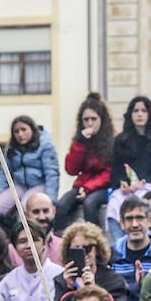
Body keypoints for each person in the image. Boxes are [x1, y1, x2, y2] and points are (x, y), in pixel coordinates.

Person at [56, 93, 116, 228]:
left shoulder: (113, 141)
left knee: (90, 204)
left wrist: (88, 189)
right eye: (86, 119)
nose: (89, 123)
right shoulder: (80, 140)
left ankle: (96, 242)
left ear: (101, 119)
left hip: (103, 187)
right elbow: (71, 169)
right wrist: (80, 144)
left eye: (93, 119)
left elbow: (110, 173)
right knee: (62, 205)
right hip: (83, 185)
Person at [0, 115, 60, 221]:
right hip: (20, 186)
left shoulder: (46, 145)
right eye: (16, 131)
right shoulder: (11, 147)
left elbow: (52, 174)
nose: (20, 134)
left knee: (25, 206)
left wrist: (51, 199)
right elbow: (4, 174)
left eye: (23, 129)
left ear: (32, 129)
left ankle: (25, 236)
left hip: (39, 185)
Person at [110, 196, 151, 301]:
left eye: (140, 218)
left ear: (149, 221)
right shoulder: (111, 255)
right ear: (121, 223)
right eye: (129, 219)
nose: (135, 224)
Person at [112, 96, 151, 193]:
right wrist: (122, 182)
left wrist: (144, 183)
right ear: (130, 114)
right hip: (127, 190)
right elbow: (116, 170)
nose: (139, 114)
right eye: (136, 111)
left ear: (150, 114)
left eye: (144, 111)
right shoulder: (120, 141)